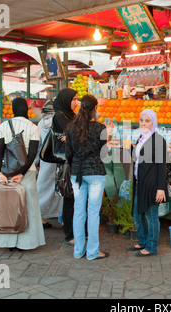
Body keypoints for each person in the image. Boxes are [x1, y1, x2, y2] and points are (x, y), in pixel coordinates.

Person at [0, 98, 45, 250]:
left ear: (14, 109)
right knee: (29, 206)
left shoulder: (3, 126)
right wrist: (22, 173)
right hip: (27, 172)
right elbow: (32, 154)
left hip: (8, 171)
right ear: (26, 109)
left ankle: (8, 242)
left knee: (9, 207)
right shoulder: (33, 127)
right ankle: (27, 243)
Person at [66, 95, 110, 260]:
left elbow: (68, 154)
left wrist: (77, 163)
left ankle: (78, 251)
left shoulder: (71, 128)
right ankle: (92, 252)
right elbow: (104, 155)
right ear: (94, 110)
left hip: (77, 173)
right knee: (93, 213)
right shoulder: (100, 128)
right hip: (96, 173)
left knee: (79, 211)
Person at [129, 109, 168, 257]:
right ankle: (143, 241)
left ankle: (151, 247)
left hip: (152, 184)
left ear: (154, 122)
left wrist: (160, 188)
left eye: (147, 120)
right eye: (141, 120)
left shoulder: (158, 140)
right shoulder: (141, 137)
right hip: (140, 182)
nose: (143, 123)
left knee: (151, 216)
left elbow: (161, 166)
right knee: (137, 214)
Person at [52, 88, 78, 246]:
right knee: (70, 197)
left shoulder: (71, 115)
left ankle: (73, 230)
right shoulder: (60, 115)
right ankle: (69, 234)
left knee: (75, 197)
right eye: (74, 99)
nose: (76, 102)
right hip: (65, 162)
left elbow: (72, 135)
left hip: (74, 159)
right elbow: (73, 132)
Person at [35, 99, 63, 228]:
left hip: (46, 161)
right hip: (60, 159)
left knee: (43, 188)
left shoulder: (41, 123)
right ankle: (62, 218)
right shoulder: (60, 122)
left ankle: (39, 217)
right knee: (60, 190)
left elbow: (39, 144)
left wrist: (36, 161)